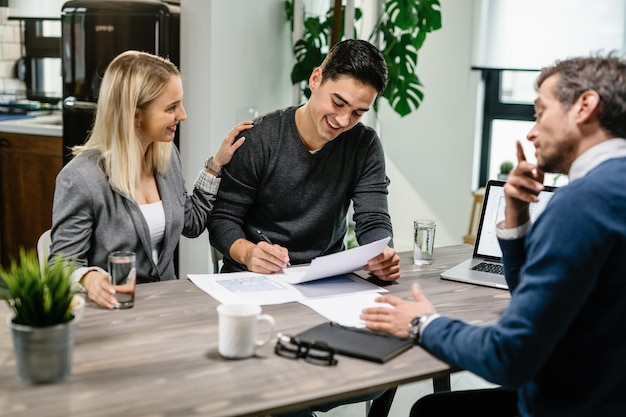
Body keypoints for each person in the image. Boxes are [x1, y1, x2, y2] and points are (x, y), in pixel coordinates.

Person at [361, 54, 626, 417]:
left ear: (585, 105)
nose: (532, 132)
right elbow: (534, 297)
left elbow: (509, 357)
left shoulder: (581, 203)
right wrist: (516, 215)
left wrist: (421, 322)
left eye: (540, 111)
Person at [50, 50, 251, 309]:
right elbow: (62, 265)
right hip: (112, 311)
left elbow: (192, 223)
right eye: (171, 107)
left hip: (166, 306)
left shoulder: (166, 158)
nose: (183, 115)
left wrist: (215, 166)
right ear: (134, 114)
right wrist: (89, 278)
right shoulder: (81, 178)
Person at [207, 38, 400, 282]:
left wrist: (381, 254)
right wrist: (248, 253)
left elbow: (373, 219)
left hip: (326, 279)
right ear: (316, 79)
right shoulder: (258, 139)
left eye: (357, 113)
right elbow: (222, 219)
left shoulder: (365, 145)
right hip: (255, 279)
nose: (342, 120)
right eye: (338, 103)